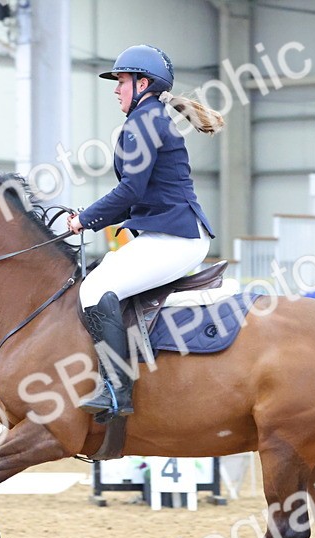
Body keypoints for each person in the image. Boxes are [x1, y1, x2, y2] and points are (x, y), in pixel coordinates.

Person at [67, 44, 224, 419]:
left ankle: (116, 391)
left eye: (121, 80)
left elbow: (130, 192)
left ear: (142, 83)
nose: (116, 89)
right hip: (169, 233)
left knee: (94, 289)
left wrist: (83, 219)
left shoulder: (142, 122)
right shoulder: (150, 119)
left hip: (175, 238)